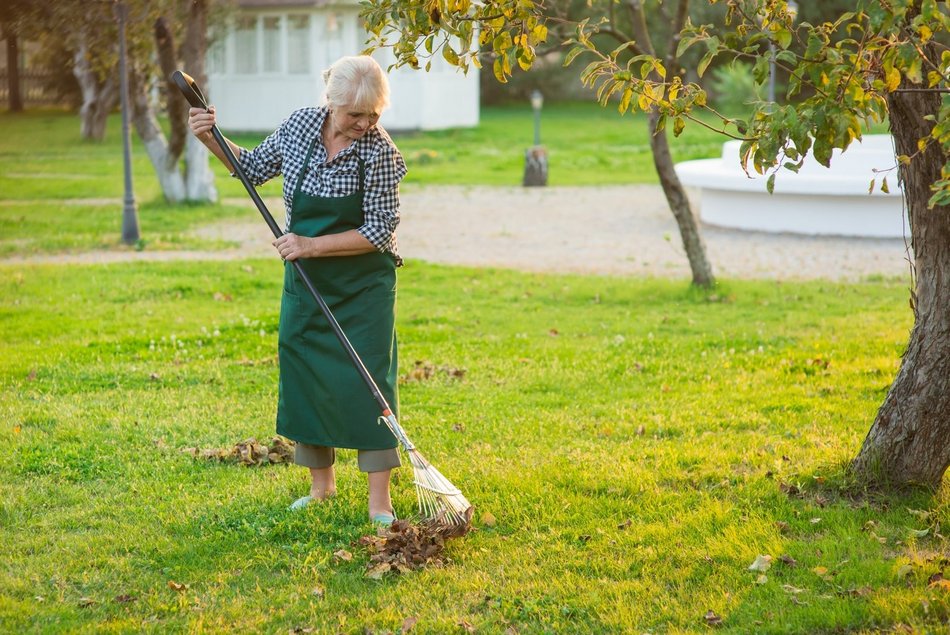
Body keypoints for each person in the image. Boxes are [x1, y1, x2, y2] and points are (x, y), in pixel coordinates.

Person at [188, 55, 407, 525]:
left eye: (374, 115)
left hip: (362, 287)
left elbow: (380, 232)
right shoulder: (299, 126)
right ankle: (321, 488)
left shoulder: (380, 152)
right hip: (308, 285)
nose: (365, 124)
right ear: (330, 103)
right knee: (308, 378)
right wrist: (211, 138)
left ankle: (379, 504)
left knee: (369, 384)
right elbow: (253, 168)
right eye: (355, 115)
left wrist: (309, 244)